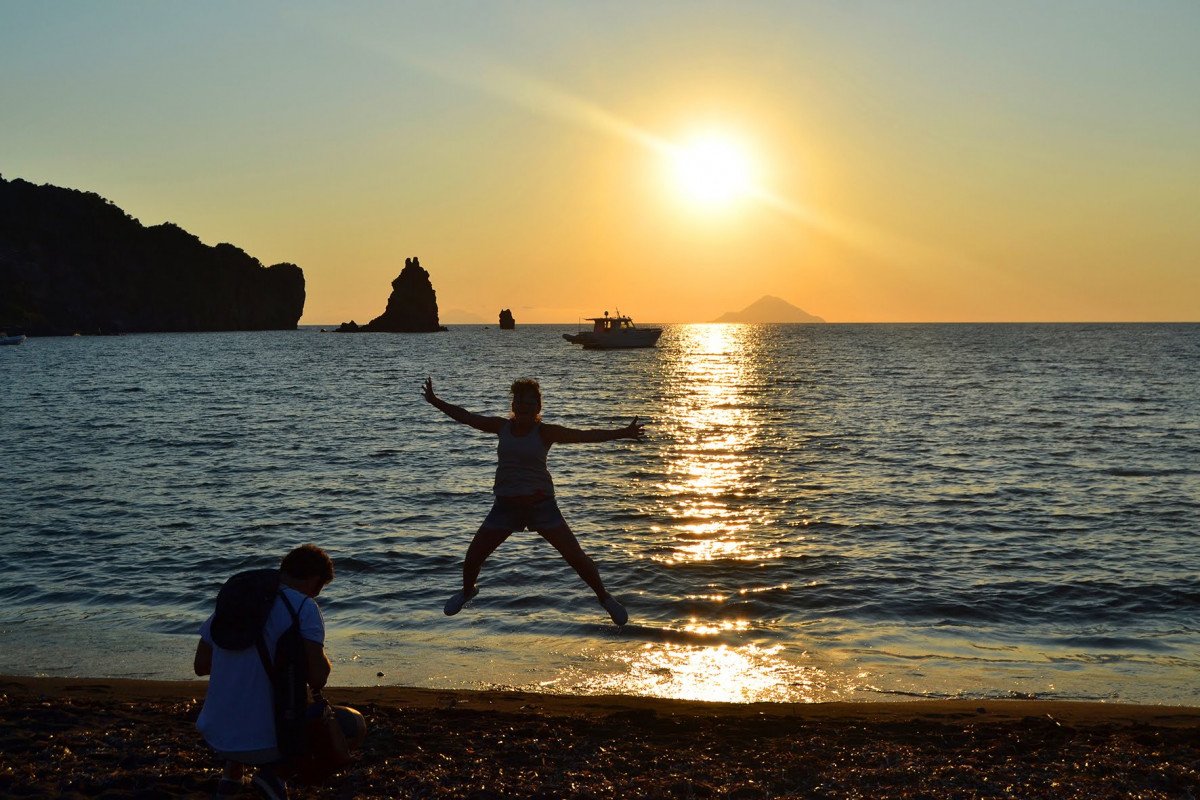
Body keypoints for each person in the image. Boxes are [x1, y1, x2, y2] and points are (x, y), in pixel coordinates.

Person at [422, 376, 643, 625]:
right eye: (519, 401)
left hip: (541, 506)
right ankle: (467, 591)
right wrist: (435, 401)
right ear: (513, 404)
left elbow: (585, 435)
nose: (523, 406)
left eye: (529, 402)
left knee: (576, 558)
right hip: (505, 507)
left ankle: (605, 598)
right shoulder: (501, 427)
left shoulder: (545, 432)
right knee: (473, 557)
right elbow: (467, 416)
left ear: (538, 407)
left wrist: (623, 433)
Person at [194, 544, 366, 800]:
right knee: (353, 724)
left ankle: (232, 774)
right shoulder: (303, 607)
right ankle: (276, 774)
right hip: (267, 744)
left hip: (217, 735)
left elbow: (201, 666)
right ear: (316, 582)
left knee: (248, 688)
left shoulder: (235, 602)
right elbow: (318, 678)